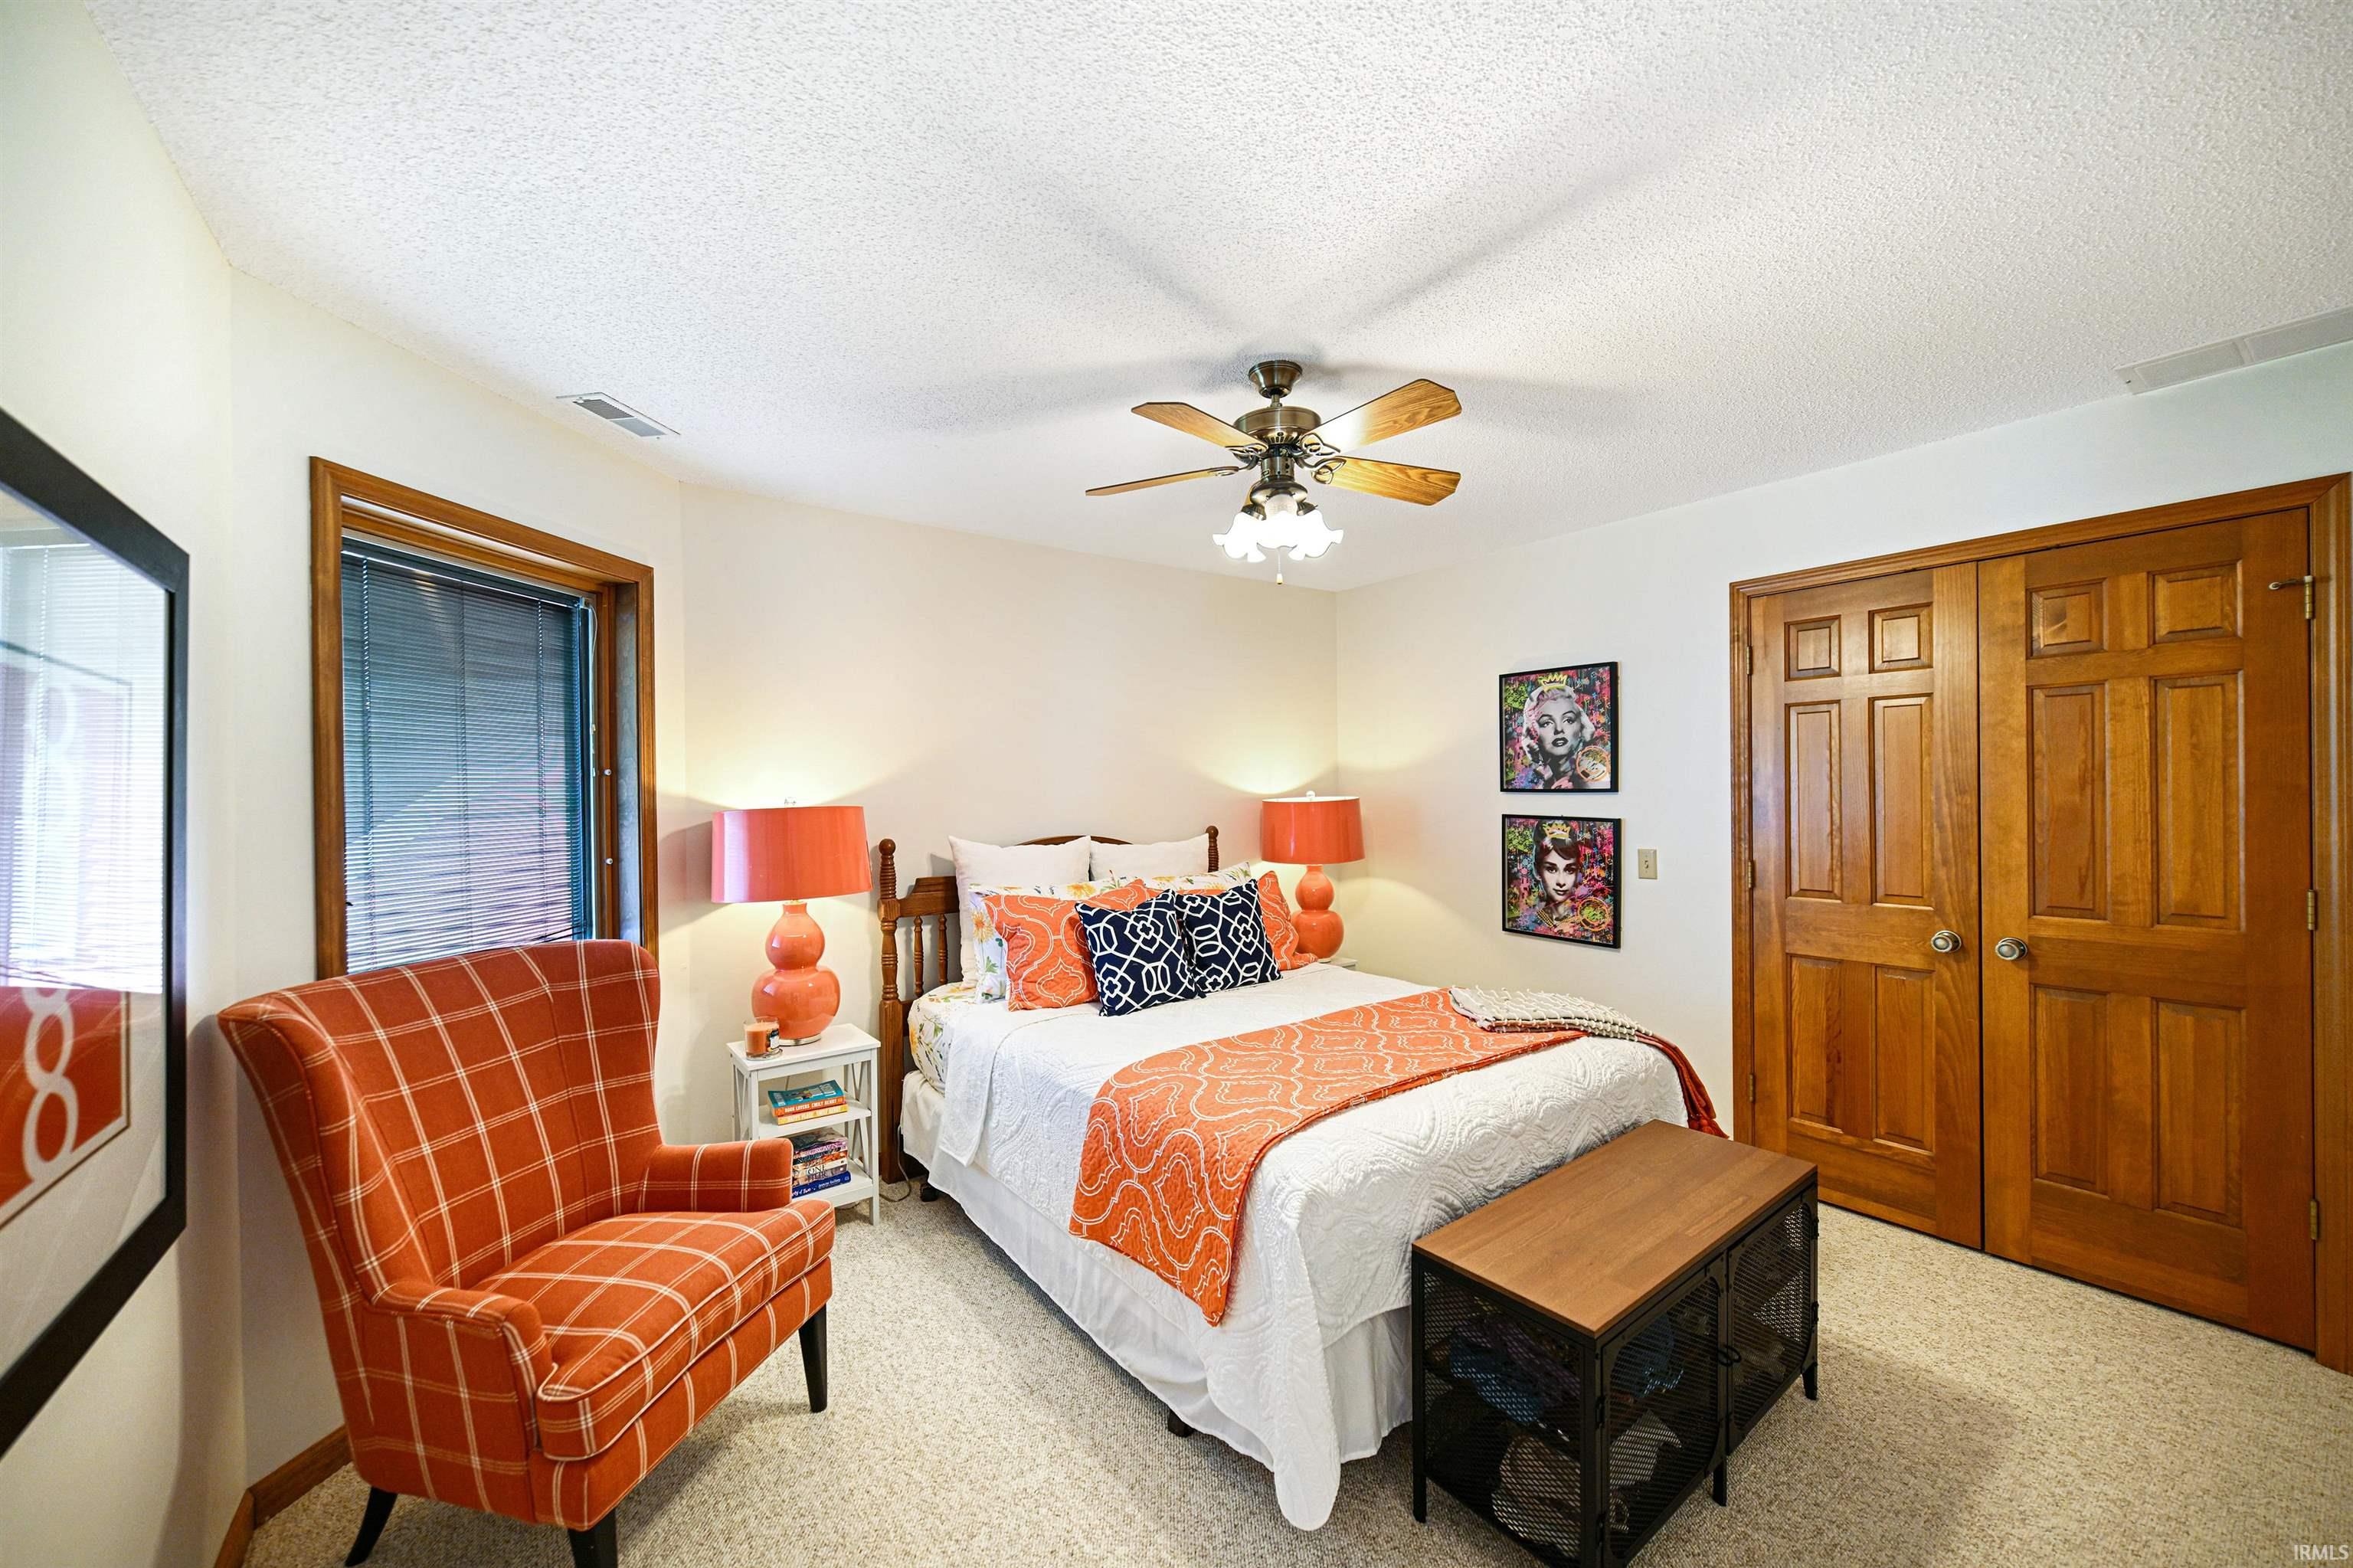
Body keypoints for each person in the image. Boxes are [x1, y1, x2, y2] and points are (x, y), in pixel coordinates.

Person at [1514, 679, 1601, 790]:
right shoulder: (1541, 780)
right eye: (1547, 723)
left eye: (1568, 720)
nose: (1559, 729)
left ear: (1581, 726)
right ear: (1532, 733)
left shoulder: (1593, 776)